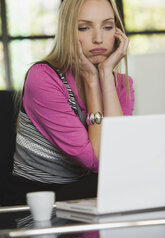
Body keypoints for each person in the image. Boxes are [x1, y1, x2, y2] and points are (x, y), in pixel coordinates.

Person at [4, 0, 134, 205]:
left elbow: (116, 158)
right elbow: (99, 162)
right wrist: (92, 82)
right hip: (37, 202)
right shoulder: (43, 78)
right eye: (84, 28)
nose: (98, 38)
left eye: (107, 27)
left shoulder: (121, 85)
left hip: (86, 196)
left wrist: (106, 76)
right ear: (68, 33)